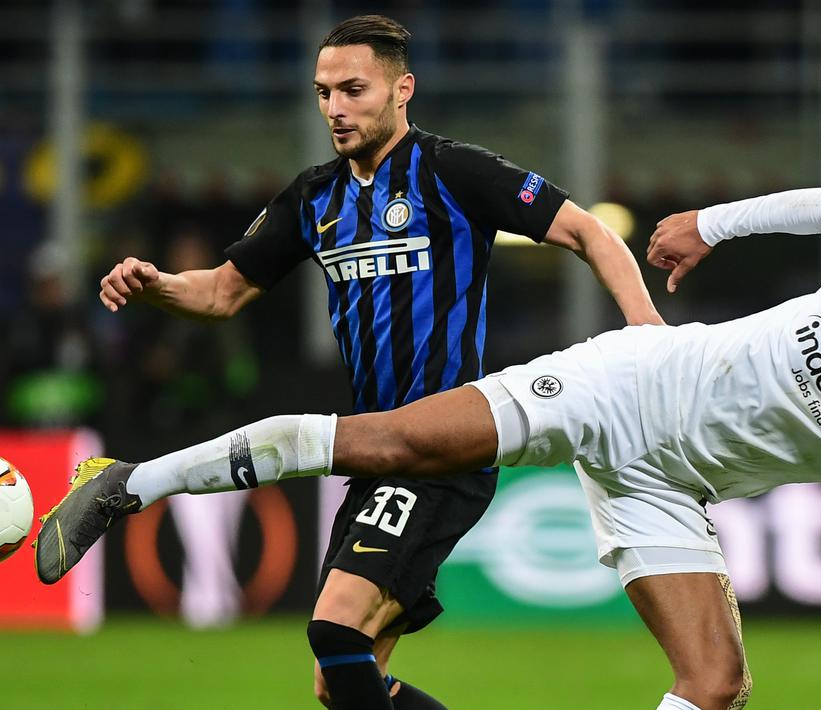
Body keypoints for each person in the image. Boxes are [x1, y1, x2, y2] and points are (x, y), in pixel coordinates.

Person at [36, 186, 821, 709]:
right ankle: (126, 482)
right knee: (395, 442)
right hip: (621, 381)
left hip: (667, 486)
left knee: (717, 686)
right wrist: (710, 224)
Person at [35, 14, 661, 710]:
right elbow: (220, 291)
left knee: (334, 625)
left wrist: (645, 329)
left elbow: (587, 229)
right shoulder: (312, 197)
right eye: (322, 92)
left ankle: (129, 484)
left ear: (402, 90)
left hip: (441, 451)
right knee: (341, 682)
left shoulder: (451, 171)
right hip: (372, 452)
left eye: (353, 89)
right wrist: (158, 286)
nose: (335, 107)